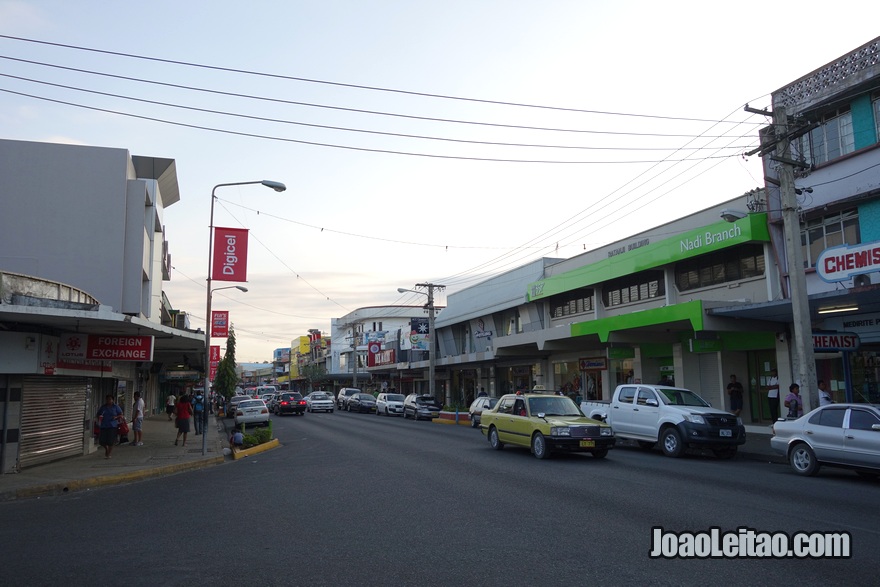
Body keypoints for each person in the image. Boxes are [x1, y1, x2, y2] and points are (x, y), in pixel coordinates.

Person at [96, 395, 123, 459]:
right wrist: (99, 418)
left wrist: (116, 417)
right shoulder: (103, 407)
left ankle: (109, 454)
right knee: (102, 441)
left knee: (111, 441)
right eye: (107, 399)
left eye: (110, 399)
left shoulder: (116, 407)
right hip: (104, 425)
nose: (108, 401)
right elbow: (98, 414)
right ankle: (106, 449)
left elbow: (121, 414)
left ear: (113, 400)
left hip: (112, 426)